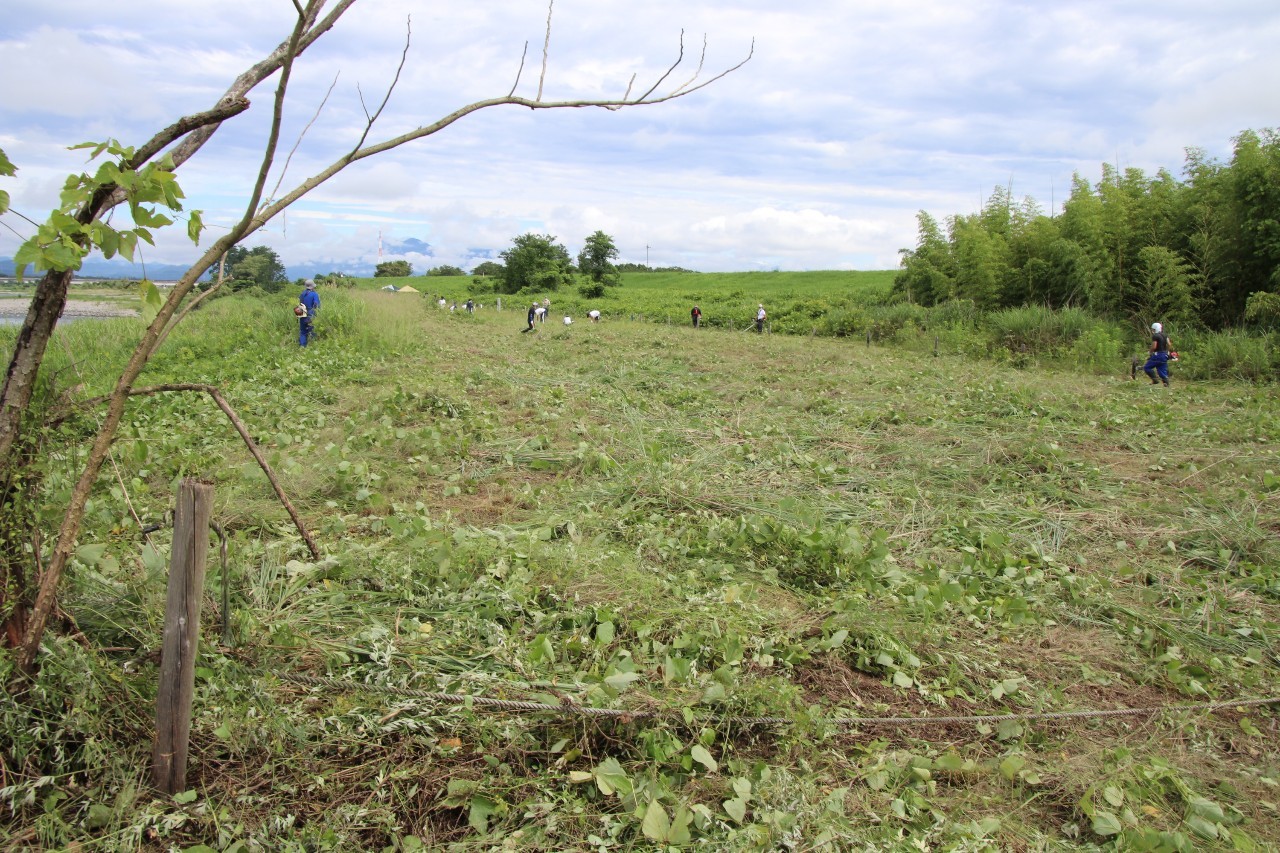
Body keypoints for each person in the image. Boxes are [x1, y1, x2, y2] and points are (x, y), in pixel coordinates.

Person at [1143, 322, 1173, 386]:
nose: (1152, 331)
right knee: (1162, 372)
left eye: (1153, 329)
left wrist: (1150, 352)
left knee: (1147, 367)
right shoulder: (1165, 335)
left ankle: (1155, 380)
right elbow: (1169, 344)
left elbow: (1154, 346)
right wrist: (1168, 352)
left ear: (1156, 329)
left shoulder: (1155, 336)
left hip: (1158, 355)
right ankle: (1166, 384)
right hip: (1165, 355)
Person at [298, 279, 320, 347]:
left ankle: (302, 346)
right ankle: (313, 346)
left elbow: (300, 303)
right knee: (312, 330)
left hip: (302, 313)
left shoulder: (302, 294)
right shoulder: (314, 294)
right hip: (311, 313)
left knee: (303, 331)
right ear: (312, 286)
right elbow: (317, 305)